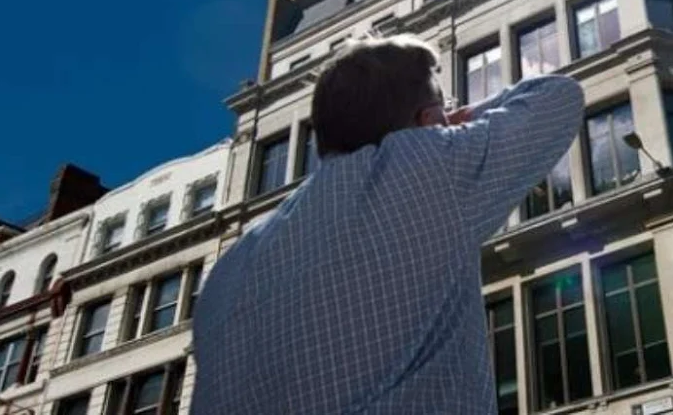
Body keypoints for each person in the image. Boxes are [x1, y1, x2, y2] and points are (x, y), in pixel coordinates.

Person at [191, 35, 584, 415]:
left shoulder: (229, 268)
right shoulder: (421, 170)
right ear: (428, 120)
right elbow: (557, 95)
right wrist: (452, 125)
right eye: (443, 107)